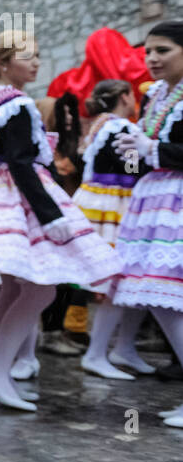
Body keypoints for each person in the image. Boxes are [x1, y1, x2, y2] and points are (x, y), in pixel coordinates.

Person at [0, 31, 120, 410]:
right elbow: (18, 163)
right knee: (37, 289)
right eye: (26, 56)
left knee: (17, 287)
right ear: (1, 61)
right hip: (11, 195)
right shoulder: (15, 103)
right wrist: (49, 216)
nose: (35, 63)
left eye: (37, 56)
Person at [111, 21, 183, 426]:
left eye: (163, 50)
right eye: (148, 52)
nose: (152, 59)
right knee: (159, 296)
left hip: (176, 202)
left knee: (167, 294)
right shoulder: (156, 95)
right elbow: (151, 153)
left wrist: (154, 148)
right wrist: (135, 152)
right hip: (156, 201)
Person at [74, 79, 152, 379]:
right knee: (117, 282)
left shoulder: (99, 126)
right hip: (115, 207)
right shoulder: (121, 129)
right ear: (124, 97)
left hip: (98, 202)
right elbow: (132, 169)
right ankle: (98, 353)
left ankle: (123, 347)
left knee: (131, 281)